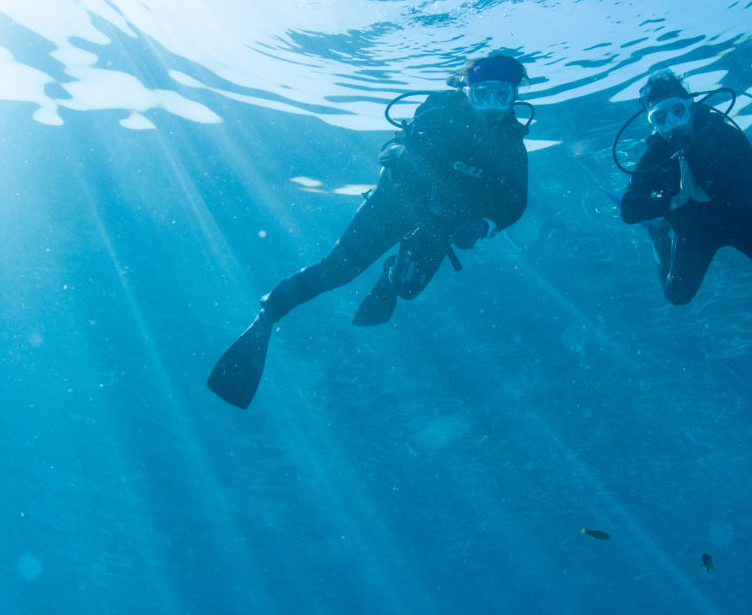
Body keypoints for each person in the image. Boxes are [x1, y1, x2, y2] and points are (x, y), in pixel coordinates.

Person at [206, 52, 532, 407]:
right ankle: (269, 314)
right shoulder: (439, 112)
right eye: (482, 94)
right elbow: (389, 148)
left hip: (440, 226)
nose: (491, 107)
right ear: (466, 90)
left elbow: (515, 201)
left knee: (407, 290)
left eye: (501, 95)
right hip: (390, 207)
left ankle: (391, 275)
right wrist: (403, 153)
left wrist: (485, 224)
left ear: (515, 96)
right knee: (335, 270)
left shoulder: (511, 144)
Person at [617, 72, 752, 305]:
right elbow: (629, 209)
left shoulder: (721, 133)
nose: (672, 124)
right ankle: (658, 232)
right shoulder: (656, 155)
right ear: (652, 122)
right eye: (661, 118)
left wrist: (707, 194)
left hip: (738, 218)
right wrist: (674, 201)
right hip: (693, 231)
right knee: (677, 296)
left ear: (690, 107)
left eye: (678, 111)